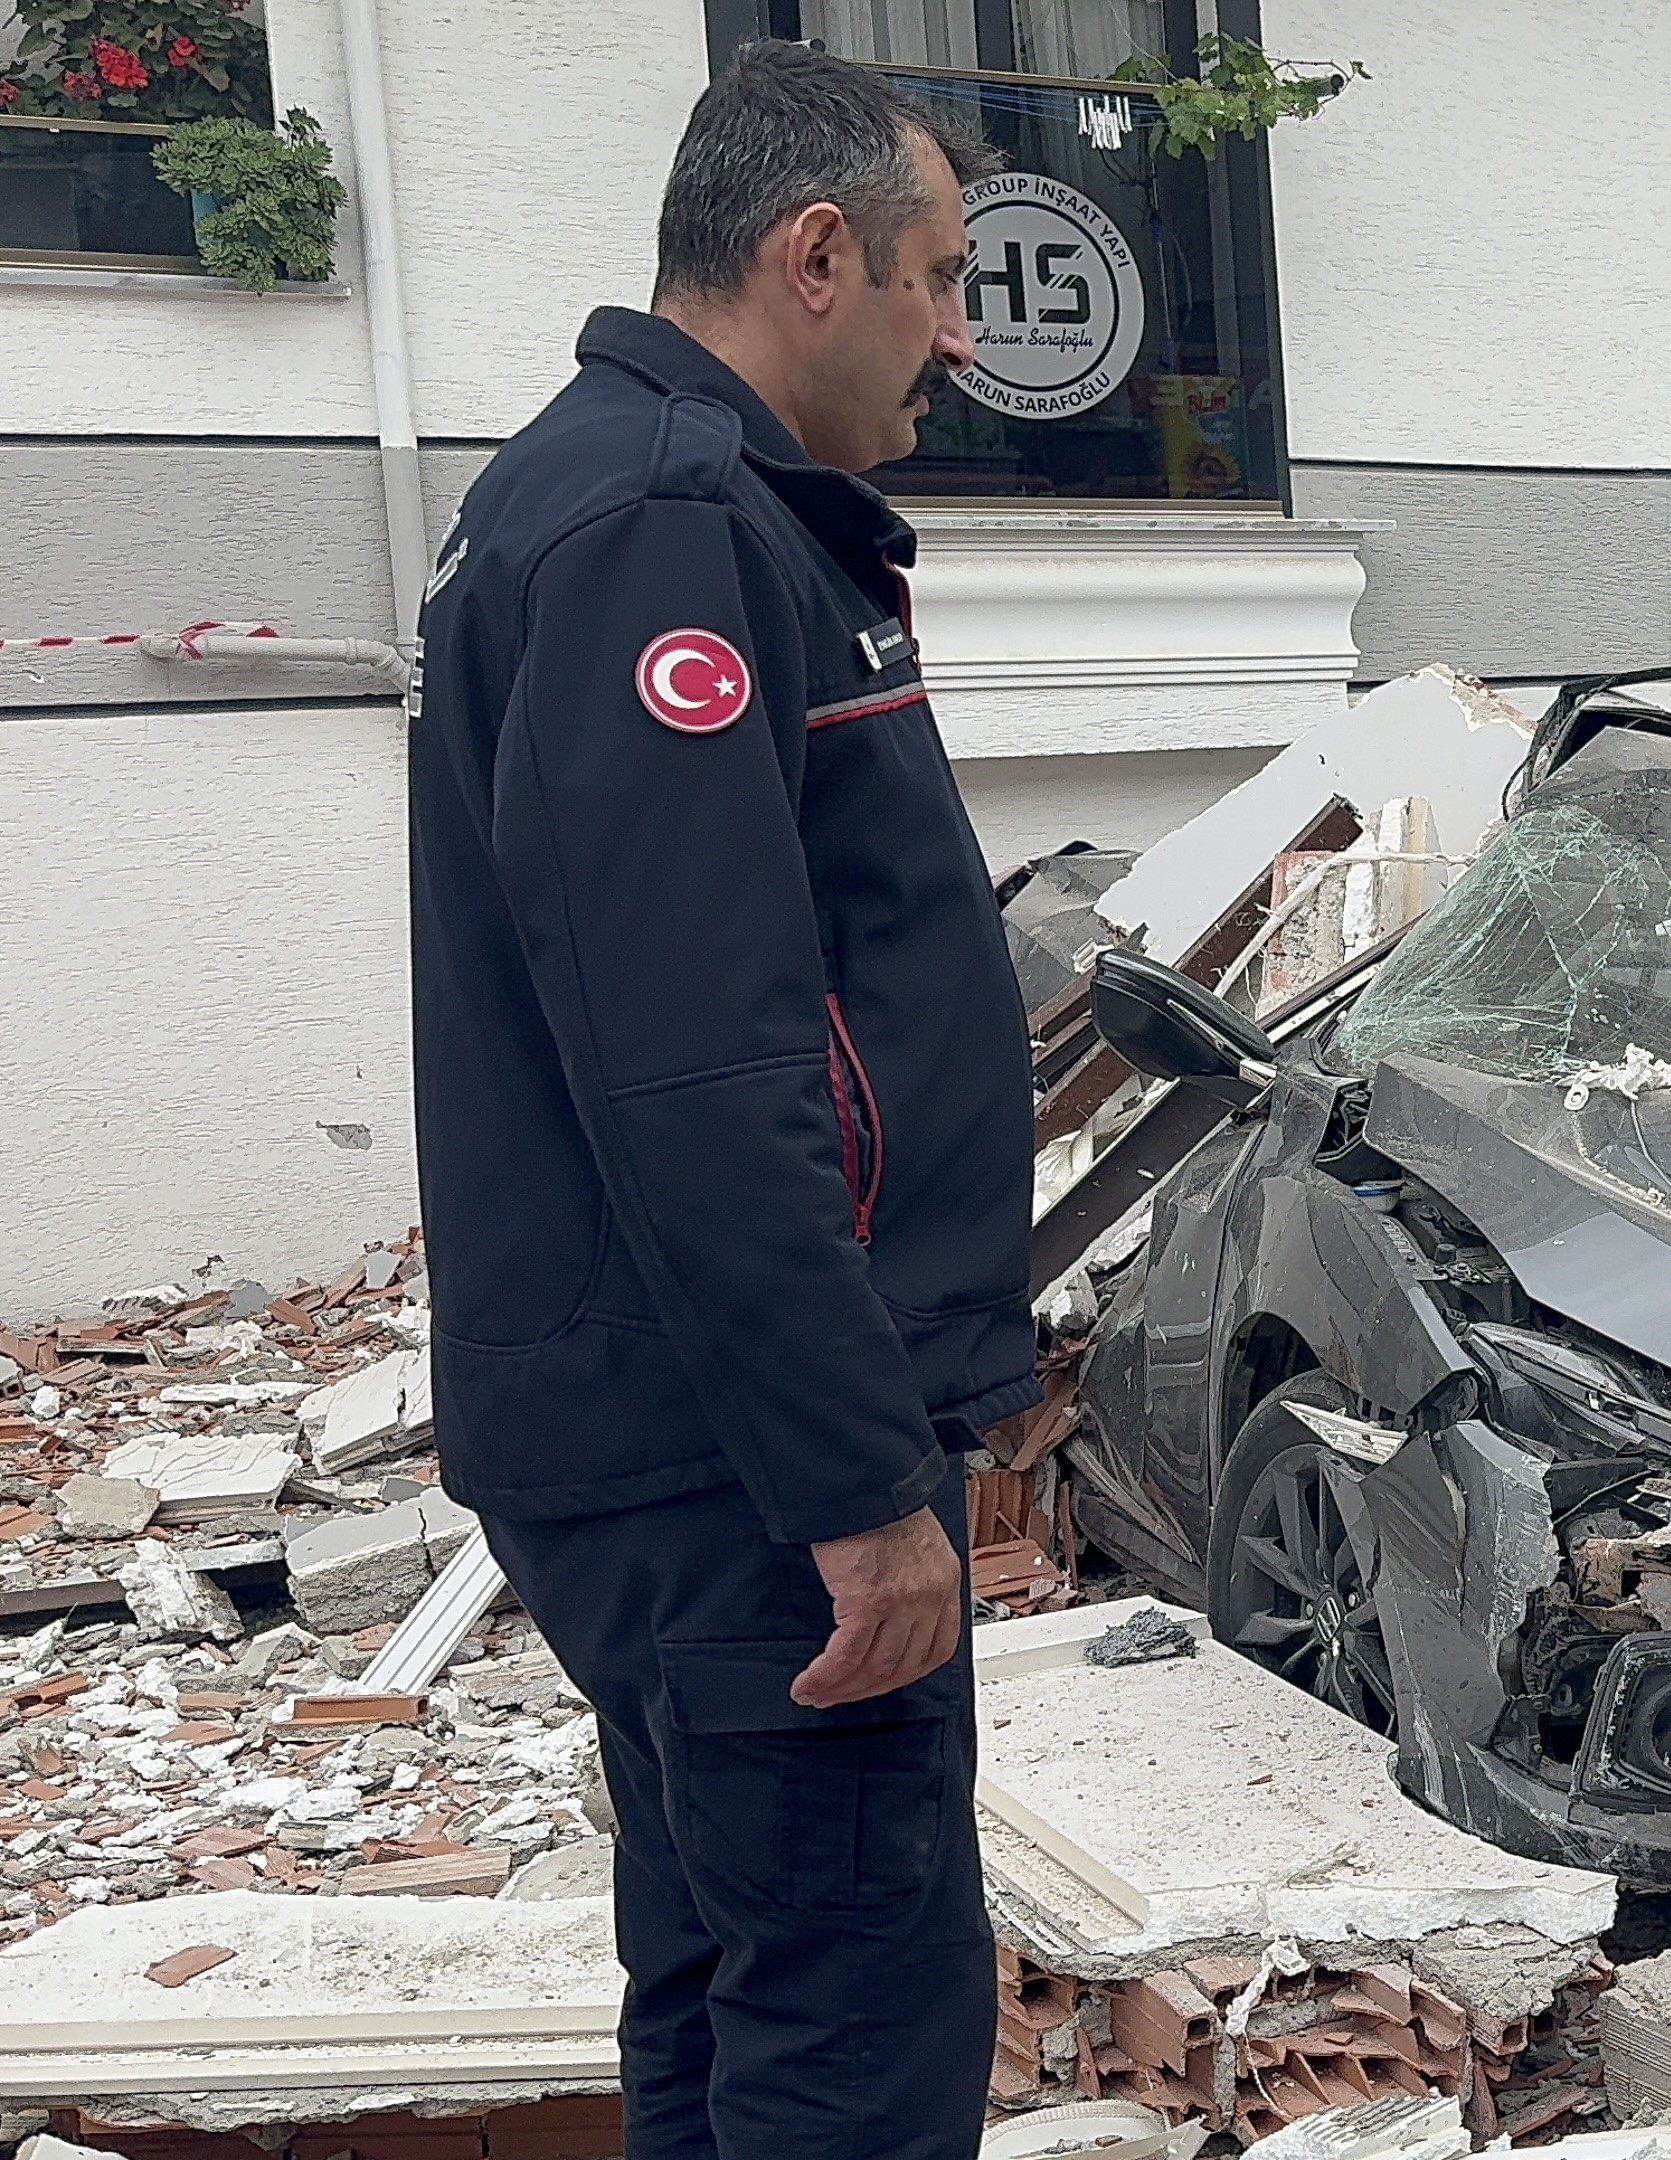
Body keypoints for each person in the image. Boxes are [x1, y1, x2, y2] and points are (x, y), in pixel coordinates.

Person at [406, 44, 1028, 2160]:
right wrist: (860, 1481)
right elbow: (701, 1067)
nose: (963, 336)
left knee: (724, 1983)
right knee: (849, 2023)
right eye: (942, 279)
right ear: (816, 254)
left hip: (670, 1440)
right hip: (738, 1469)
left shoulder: (616, 497)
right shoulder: (669, 527)